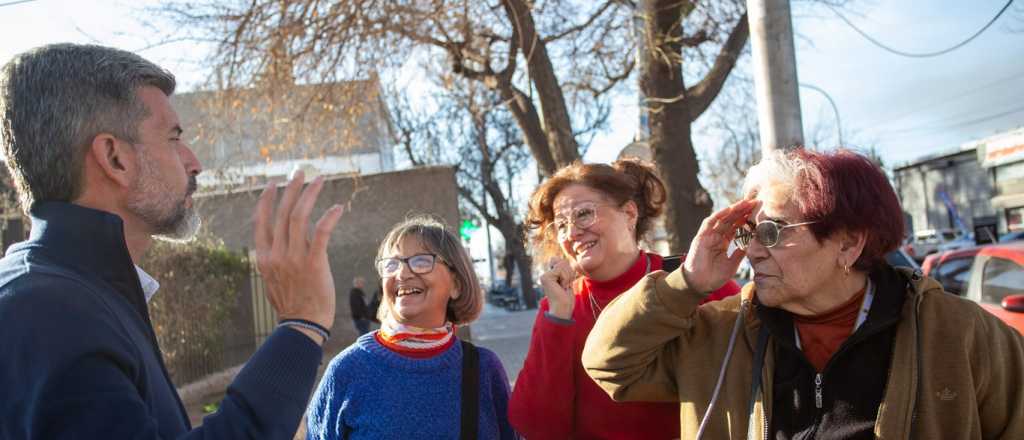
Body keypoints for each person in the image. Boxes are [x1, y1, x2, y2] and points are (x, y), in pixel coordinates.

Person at [0, 43, 345, 438]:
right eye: (174, 137)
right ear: (115, 158)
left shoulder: (68, 295)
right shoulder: (47, 312)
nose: (194, 162)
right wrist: (302, 325)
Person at [582, 149, 1024, 439]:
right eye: (750, 232)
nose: (752, 249)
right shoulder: (720, 334)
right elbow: (608, 365)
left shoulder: (962, 334)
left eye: (772, 232)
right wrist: (687, 283)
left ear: (848, 244)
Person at [508, 159, 740, 439]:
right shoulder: (560, 307)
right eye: (561, 225)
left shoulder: (694, 280)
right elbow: (537, 426)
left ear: (630, 213)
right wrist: (557, 319)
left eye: (584, 214)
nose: (572, 233)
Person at [306, 216, 517, 439]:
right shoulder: (346, 370)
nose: (402, 273)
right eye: (392, 264)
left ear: (456, 284)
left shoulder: (484, 369)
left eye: (421, 261)